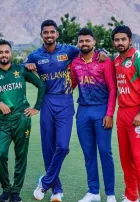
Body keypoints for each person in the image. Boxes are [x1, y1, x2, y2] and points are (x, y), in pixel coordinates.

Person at [25, 19, 107, 202]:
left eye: (52, 32)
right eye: (45, 32)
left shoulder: (69, 50)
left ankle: (44, 182)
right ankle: (57, 189)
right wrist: (27, 66)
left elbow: (89, 51)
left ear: (57, 34)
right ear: (41, 35)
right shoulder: (35, 55)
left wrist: (103, 52)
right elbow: (22, 67)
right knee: (48, 148)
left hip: (65, 101)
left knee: (62, 146)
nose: (49, 35)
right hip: (47, 102)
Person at [0, 40, 45, 202]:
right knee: (0, 155)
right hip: (3, 123)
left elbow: (41, 85)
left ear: (11, 53)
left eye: (6, 52)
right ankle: (6, 188)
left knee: (20, 156)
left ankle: (15, 191)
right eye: (0, 52)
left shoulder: (20, 70)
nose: (4, 55)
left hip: (22, 119)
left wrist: (36, 107)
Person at [70, 28, 117, 202]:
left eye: (87, 41)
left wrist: (109, 113)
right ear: (78, 43)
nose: (84, 44)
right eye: (81, 41)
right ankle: (93, 192)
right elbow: (72, 84)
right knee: (88, 153)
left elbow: (113, 88)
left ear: (94, 42)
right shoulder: (75, 63)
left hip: (102, 110)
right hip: (83, 111)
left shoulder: (104, 61)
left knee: (105, 152)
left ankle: (110, 194)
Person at [112, 25, 140, 202]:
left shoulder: (137, 57)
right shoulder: (116, 60)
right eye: (117, 39)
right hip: (122, 114)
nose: (120, 42)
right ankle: (131, 195)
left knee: (138, 156)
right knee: (125, 156)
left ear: (130, 40)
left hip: (137, 113)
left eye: (123, 39)